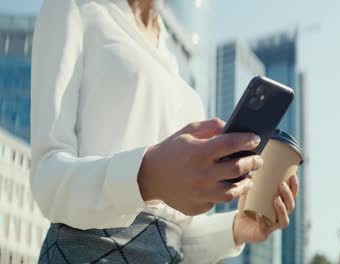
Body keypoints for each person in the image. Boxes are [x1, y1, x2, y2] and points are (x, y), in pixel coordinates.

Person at [30, 0, 299, 263]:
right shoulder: (73, 8)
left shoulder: (175, 59)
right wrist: (147, 175)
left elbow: (174, 238)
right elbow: (47, 176)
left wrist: (235, 230)